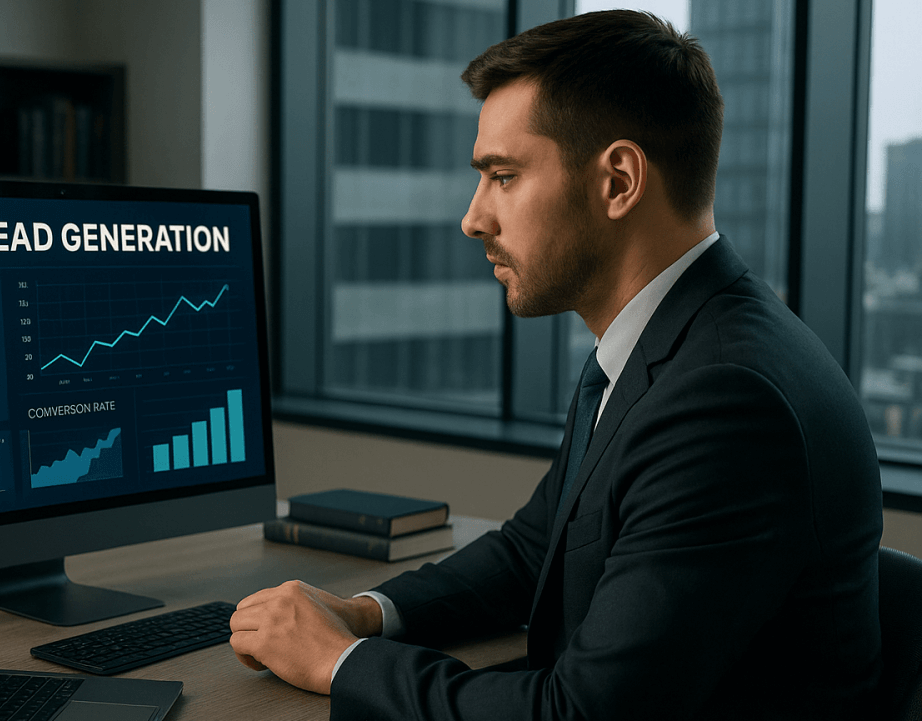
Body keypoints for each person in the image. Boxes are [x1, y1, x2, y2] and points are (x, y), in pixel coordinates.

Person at [229, 10, 883, 720]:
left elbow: (581, 714)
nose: (472, 218)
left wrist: (337, 661)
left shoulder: (725, 398)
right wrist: (364, 613)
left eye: (503, 176)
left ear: (619, 181)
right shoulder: (666, 341)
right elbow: (534, 548)